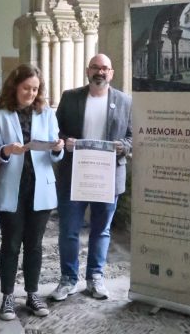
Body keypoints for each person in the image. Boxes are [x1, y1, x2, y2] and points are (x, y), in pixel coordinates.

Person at [51, 53, 132, 301]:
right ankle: (68, 279)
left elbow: (133, 136)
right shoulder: (70, 97)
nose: (100, 72)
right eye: (96, 67)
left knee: (102, 230)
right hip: (75, 175)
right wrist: (65, 141)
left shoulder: (125, 101)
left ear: (112, 73)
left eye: (105, 68)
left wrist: (123, 146)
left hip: (108, 177)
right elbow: (56, 130)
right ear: (88, 71)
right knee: (69, 230)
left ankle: (95, 278)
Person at [0, 64, 64, 321]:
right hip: (11, 186)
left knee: (35, 244)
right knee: (10, 243)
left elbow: (56, 153)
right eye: (26, 88)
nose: (31, 93)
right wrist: (7, 150)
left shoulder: (47, 113)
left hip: (40, 186)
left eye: (35, 89)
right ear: (15, 87)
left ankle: (32, 294)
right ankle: (7, 296)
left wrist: (57, 148)